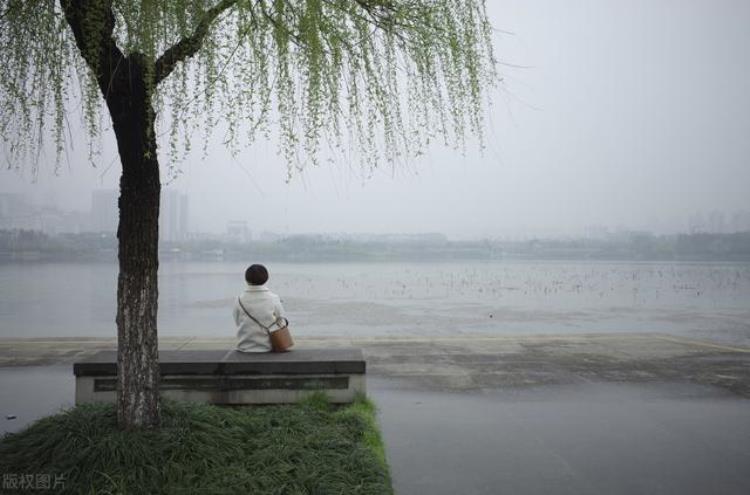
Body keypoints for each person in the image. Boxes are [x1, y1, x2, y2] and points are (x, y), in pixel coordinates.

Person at [233, 264, 285, 352]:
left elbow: (237, 321)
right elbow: (281, 322)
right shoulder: (274, 298)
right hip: (269, 346)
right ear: (266, 278)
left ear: (246, 279)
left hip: (244, 346)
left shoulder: (239, 299)